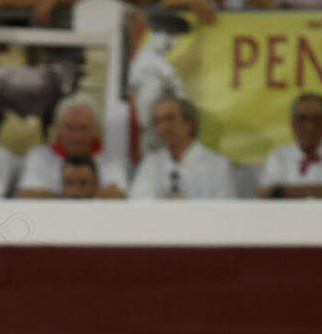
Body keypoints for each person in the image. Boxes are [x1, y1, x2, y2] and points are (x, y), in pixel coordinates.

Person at [18, 97, 127, 198]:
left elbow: (118, 195)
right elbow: (28, 195)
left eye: (83, 128)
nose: (76, 136)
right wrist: (81, 196)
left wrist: (60, 196)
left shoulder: (111, 159)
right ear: (58, 130)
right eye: (70, 128)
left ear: (95, 131)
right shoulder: (39, 157)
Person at [129, 96, 235, 199]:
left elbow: (225, 212)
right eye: (157, 121)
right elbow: (137, 203)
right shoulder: (151, 163)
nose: (162, 127)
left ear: (189, 123)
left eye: (169, 118)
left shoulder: (217, 165)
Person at [256, 93, 322, 199]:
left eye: (317, 118)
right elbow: (265, 195)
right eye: (302, 118)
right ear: (292, 124)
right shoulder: (279, 156)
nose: (310, 126)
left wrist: (283, 191)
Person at [128, 11, 190, 156]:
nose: (171, 41)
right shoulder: (150, 64)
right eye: (167, 34)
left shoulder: (159, 63)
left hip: (164, 137)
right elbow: (147, 113)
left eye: (175, 36)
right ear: (155, 33)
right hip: (155, 136)